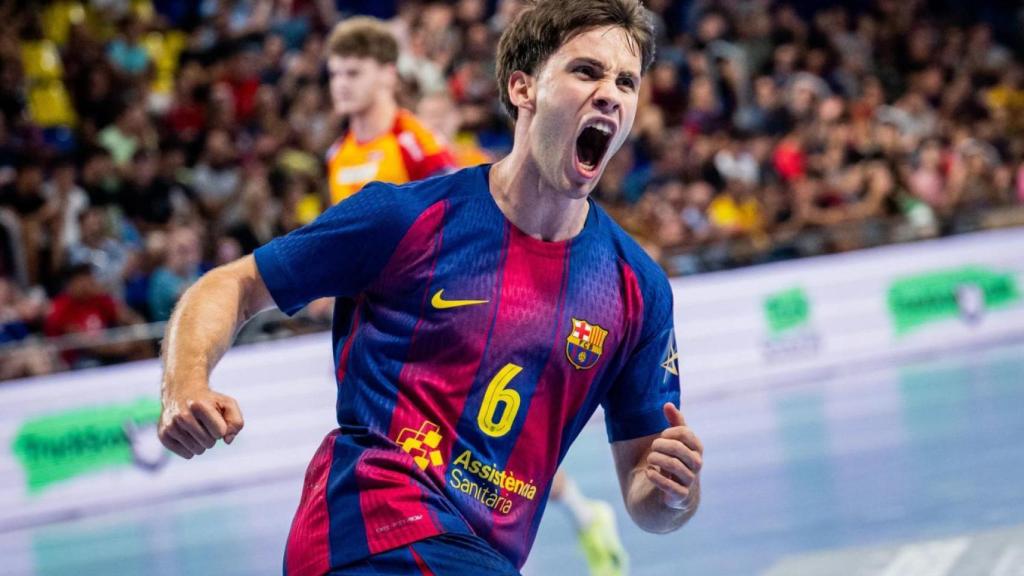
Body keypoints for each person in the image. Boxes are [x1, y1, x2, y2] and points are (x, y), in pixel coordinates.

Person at [158, 2, 704, 575]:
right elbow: (235, 282)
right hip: (369, 527)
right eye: (587, 71)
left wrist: (674, 491)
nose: (611, 93)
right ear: (523, 88)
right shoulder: (404, 216)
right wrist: (186, 381)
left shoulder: (636, 288)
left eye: (626, 81)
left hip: (480, 554)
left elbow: (651, 502)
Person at [322, 17, 457, 204]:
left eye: (353, 73)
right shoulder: (336, 154)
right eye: (335, 74)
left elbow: (458, 220)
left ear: (388, 74)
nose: (340, 85)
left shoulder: (420, 145)